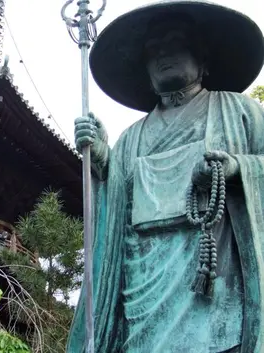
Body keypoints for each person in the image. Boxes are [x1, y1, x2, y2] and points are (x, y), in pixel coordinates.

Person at [67, 1, 264, 352]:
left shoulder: (239, 111)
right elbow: (115, 212)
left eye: (175, 43)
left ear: (202, 58)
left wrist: (235, 169)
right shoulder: (131, 139)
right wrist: (101, 161)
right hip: (144, 287)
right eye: (153, 50)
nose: (163, 54)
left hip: (214, 284)